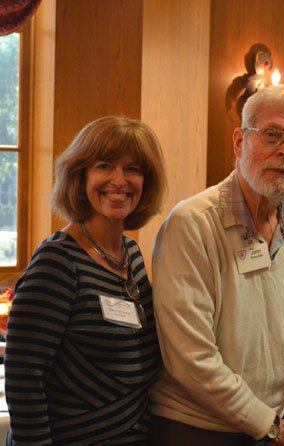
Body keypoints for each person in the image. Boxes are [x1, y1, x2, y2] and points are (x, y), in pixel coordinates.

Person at [150, 85, 284, 446]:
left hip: (277, 430)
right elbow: (190, 357)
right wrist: (269, 424)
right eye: (273, 134)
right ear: (239, 141)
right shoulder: (192, 223)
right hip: (198, 429)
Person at [4, 115, 167, 444]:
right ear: (80, 177)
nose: (119, 180)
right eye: (105, 166)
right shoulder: (59, 262)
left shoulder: (132, 254)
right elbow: (23, 380)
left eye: (132, 169)